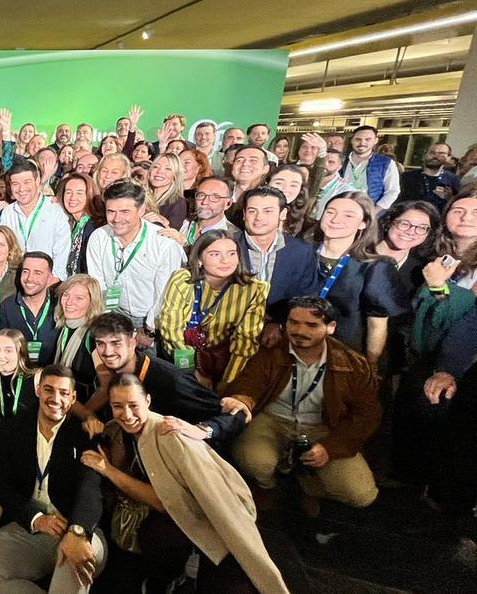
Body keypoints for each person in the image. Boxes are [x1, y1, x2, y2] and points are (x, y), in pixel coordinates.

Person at [88, 374, 290, 593]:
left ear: (147, 401)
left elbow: (162, 501)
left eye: (133, 405)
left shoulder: (168, 432)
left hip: (215, 514)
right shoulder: (117, 430)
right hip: (181, 515)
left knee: (238, 578)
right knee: (156, 537)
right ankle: (177, 572)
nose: (126, 415)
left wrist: (109, 471)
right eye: (118, 406)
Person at [224, 297, 381, 516]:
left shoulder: (353, 364)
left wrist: (330, 447)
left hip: (322, 427)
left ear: (331, 328)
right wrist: (242, 399)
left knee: (362, 494)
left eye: (312, 325)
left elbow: (366, 415)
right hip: (272, 420)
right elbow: (249, 383)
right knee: (255, 461)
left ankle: (307, 486)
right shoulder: (270, 351)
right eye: (294, 322)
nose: (300, 330)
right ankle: (268, 486)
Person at [0, 365, 107, 594]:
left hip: (75, 528)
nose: (55, 399)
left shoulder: (84, 434)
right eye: (48, 390)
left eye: (64, 393)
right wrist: (36, 519)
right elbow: (3, 487)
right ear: (37, 391)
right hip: (30, 528)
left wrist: (77, 531)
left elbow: (90, 489)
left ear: (73, 397)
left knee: (75, 565)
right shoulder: (12, 430)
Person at [82, 312, 245, 449]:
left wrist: (202, 431)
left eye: (116, 343)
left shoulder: (170, 381)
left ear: (132, 342)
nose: (108, 352)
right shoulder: (115, 373)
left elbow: (235, 416)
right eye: (101, 344)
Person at [157, 230, 269, 385]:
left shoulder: (254, 290)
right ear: (199, 259)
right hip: (182, 363)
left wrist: (226, 384)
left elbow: (245, 342)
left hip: (225, 366)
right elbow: (170, 330)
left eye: (231, 254)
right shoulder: (182, 280)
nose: (225, 261)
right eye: (215, 254)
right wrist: (193, 373)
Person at [313, 192, 406, 364]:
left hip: (343, 355)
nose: (335, 219)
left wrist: (370, 366)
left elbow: (376, 324)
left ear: (364, 223)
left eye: (348, 215)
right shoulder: (301, 253)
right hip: (292, 346)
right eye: (330, 211)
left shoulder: (375, 266)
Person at [86, 181, 186, 338]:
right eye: (111, 211)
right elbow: (98, 282)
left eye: (125, 211)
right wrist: (108, 319)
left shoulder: (164, 243)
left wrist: (149, 329)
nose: (117, 219)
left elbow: (164, 294)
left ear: (141, 211)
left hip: (150, 322)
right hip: (114, 316)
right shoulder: (98, 237)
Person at [235, 187, 320, 343]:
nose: (258, 218)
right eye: (252, 211)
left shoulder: (300, 251)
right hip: (231, 333)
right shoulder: (227, 246)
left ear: (283, 214)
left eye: (268, 211)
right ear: (244, 214)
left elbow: (306, 298)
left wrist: (278, 323)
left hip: (281, 336)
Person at [0, 161, 69, 280]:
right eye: (15, 184)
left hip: (48, 279)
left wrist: (54, 280)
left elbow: (62, 250)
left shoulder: (55, 210)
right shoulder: (8, 212)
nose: (21, 189)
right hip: (15, 279)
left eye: (27, 182)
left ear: (37, 181)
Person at [0, 251, 60, 366]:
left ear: (50, 278)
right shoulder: (8, 305)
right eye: (26, 271)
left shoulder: (59, 305)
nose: (30, 278)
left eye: (37, 273)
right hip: (17, 376)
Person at [51, 275, 104, 374]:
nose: (69, 302)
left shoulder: (95, 336)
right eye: (66, 295)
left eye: (78, 298)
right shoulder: (63, 328)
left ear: (92, 302)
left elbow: (105, 381)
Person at [341, 126, 399, 209]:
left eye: (367, 139)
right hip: (342, 208)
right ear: (352, 140)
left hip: (370, 210)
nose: (362, 143)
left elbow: (392, 191)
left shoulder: (386, 163)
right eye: (358, 139)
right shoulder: (341, 161)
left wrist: (374, 212)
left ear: (375, 141)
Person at [173, 176, 239, 246]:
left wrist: (185, 245)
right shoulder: (184, 221)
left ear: (228, 204)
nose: (205, 202)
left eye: (215, 197)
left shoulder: (232, 236)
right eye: (201, 195)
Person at [56, 172, 100, 276]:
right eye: (68, 192)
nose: (72, 198)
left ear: (89, 195)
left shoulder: (95, 226)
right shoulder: (69, 223)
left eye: (79, 193)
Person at [398, 142, 459, 213]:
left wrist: (449, 198)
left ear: (449, 158)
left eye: (441, 153)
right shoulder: (406, 177)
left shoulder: (453, 179)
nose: (435, 156)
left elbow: (458, 204)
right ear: (425, 155)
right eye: (432, 152)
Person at [266, 164, 312, 237]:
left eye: (293, 185)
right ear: (267, 183)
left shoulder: (306, 226)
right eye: (279, 183)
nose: (285, 189)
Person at [145, 153, 188, 229]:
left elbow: (172, 235)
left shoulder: (177, 203)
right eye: (155, 166)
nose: (159, 171)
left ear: (175, 176)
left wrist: (164, 223)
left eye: (168, 169)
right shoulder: (139, 196)